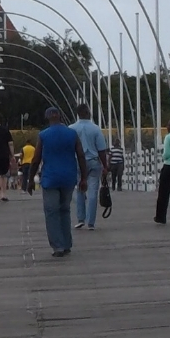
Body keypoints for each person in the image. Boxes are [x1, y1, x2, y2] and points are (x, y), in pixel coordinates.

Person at [30, 106, 89, 257]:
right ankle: (67, 243)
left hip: (50, 178)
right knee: (65, 209)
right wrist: (83, 178)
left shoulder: (43, 135)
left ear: (48, 118)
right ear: (61, 117)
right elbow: (81, 156)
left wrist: (30, 179)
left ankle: (58, 246)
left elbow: (36, 159)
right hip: (68, 177)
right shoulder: (72, 134)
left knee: (51, 212)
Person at [70, 103, 109, 231]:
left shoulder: (71, 129)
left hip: (77, 162)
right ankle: (90, 222)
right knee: (93, 191)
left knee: (80, 189)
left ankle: (80, 219)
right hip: (93, 162)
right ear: (88, 113)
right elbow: (102, 150)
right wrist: (105, 166)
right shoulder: (96, 129)